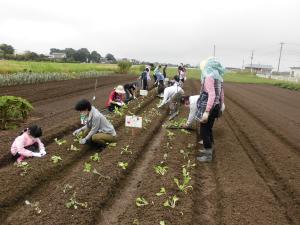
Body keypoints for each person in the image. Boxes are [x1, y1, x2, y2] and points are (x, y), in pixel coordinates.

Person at [195, 57, 225, 162]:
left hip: (209, 105)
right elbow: (221, 94)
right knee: (209, 129)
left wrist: (207, 111)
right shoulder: (219, 77)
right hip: (216, 106)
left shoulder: (209, 77)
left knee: (204, 130)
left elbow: (211, 95)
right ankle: (209, 149)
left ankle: (208, 155)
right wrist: (221, 105)